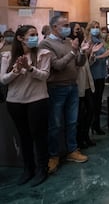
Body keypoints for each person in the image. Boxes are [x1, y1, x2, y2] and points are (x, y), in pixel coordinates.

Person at [38, 15, 90, 174]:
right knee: (55, 124)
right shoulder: (46, 43)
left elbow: (79, 63)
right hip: (56, 88)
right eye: (65, 25)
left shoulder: (68, 42)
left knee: (72, 121)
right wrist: (74, 51)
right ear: (55, 27)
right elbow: (57, 65)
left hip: (72, 86)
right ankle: (53, 156)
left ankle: (72, 150)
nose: (69, 28)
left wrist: (82, 52)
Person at [0, 25, 51, 186]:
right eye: (32, 35)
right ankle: (28, 169)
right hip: (15, 102)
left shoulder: (43, 54)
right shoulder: (8, 56)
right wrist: (16, 71)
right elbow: (3, 80)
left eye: (37, 34)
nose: (36, 37)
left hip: (38, 100)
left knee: (39, 136)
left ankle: (43, 168)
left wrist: (29, 68)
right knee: (24, 136)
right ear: (20, 38)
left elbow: (44, 76)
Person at [86, 20, 109, 135]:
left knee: (98, 101)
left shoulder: (101, 40)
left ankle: (97, 124)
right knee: (93, 102)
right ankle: (93, 125)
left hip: (101, 73)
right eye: (93, 27)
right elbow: (89, 60)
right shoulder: (88, 42)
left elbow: (104, 56)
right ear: (89, 29)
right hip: (93, 74)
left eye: (97, 27)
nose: (96, 29)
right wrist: (106, 54)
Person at [69, 22, 97, 149]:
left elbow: (86, 64)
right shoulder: (69, 45)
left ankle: (85, 136)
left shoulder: (82, 44)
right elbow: (75, 64)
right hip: (77, 83)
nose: (79, 31)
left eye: (80, 29)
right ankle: (79, 139)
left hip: (87, 82)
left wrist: (91, 55)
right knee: (80, 115)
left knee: (90, 110)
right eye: (76, 30)